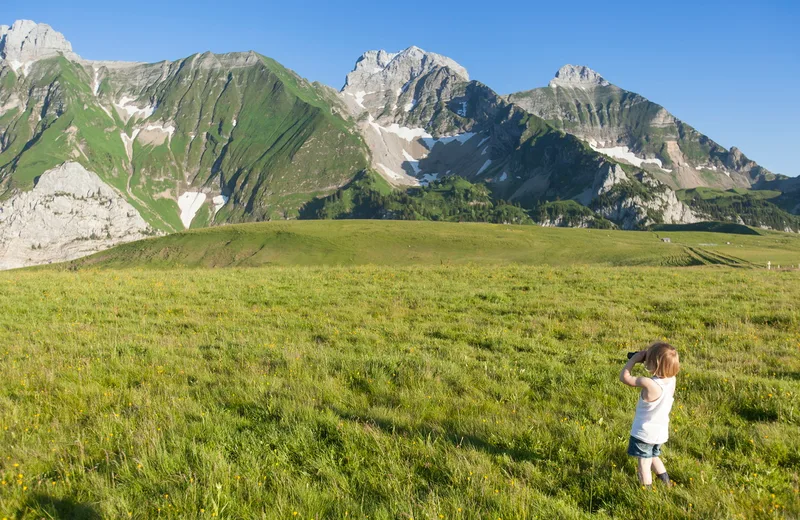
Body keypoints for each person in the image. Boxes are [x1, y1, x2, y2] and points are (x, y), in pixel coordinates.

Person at [619, 341, 681, 488]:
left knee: (644, 463)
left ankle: (645, 491)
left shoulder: (648, 383)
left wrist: (633, 360)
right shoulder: (672, 381)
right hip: (660, 432)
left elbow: (624, 377)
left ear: (653, 364)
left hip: (644, 433)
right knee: (653, 456)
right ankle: (667, 483)